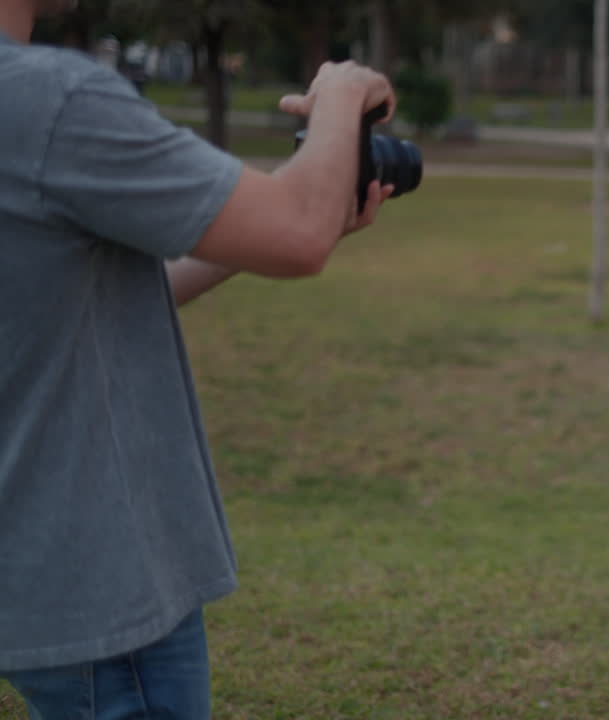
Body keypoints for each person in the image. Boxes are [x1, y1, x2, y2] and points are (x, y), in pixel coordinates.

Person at [0, 1, 400, 717]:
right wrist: (341, 93)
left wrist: (278, 207)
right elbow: (298, 235)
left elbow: (71, 298)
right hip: (103, 588)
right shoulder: (44, 96)